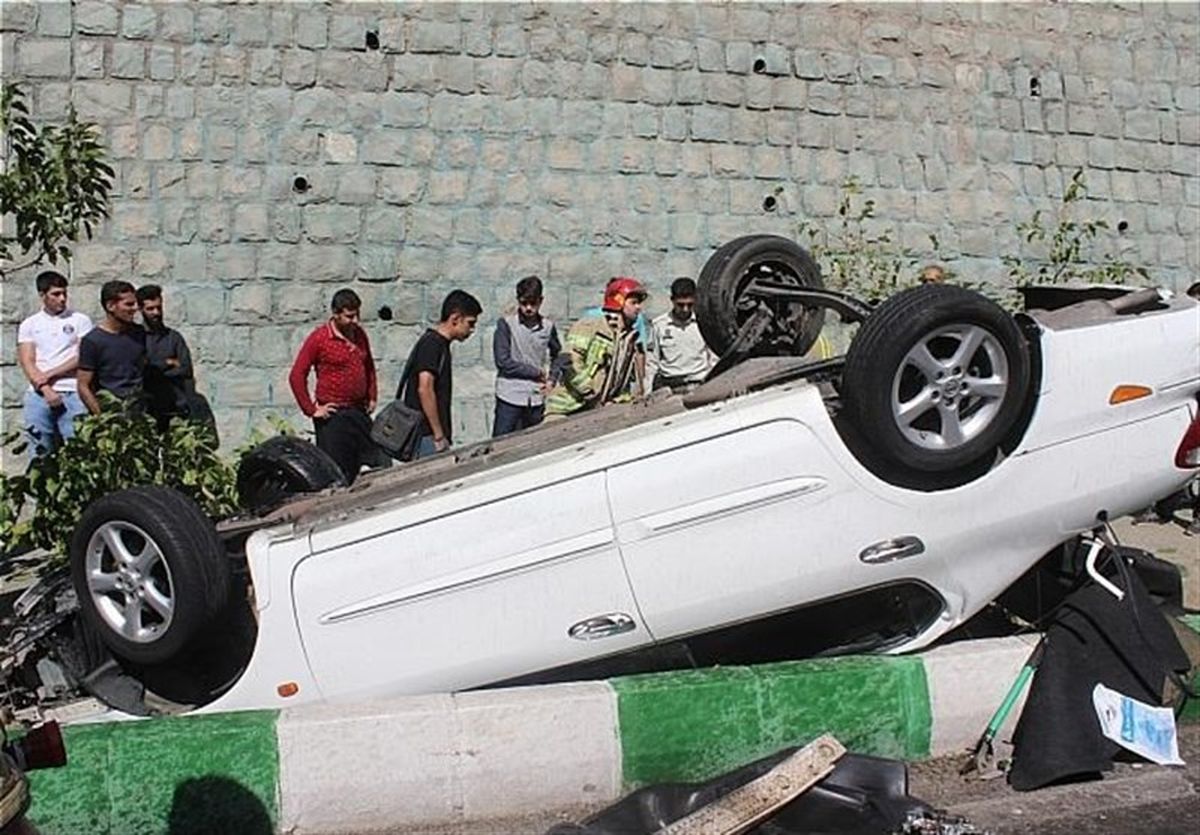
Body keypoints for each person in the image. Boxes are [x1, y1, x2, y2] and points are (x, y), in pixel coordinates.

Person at [288, 288, 381, 483]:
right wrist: (312, 409)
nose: (355, 321)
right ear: (336, 314)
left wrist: (372, 395)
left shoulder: (359, 335)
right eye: (349, 316)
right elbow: (297, 375)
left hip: (358, 411)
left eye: (357, 315)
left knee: (372, 464)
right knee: (339, 473)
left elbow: (369, 365)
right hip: (334, 417)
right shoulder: (320, 339)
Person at [545, 277, 647, 417]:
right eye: (634, 303)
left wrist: (621, 401)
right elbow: (569, 361)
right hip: (567, 409)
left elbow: (623, 381)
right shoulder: (591, 327)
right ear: (619, 302)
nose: (638, 307)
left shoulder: (628, 340)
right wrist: (590, 394)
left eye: (640, 303)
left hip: (598, 412)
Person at [398, 290, 482, 458]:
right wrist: (438, 435)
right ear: (455, 319)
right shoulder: (432, 344)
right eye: (470, 323)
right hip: (426, 436)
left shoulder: (441, 345)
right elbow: (425, 388)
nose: (472, 330)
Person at [17, 271, 93, 455]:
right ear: (42, 295)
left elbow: (82, 356)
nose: (62, 298)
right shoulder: (30, 324)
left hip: (73, 392)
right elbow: (27, 361)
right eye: (56, 294)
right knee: (40, 450)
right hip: (39, 395)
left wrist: (50, 374)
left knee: (79, 448)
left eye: (64, 293)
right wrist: (45, 388)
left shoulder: (80, 320)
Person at [492, 276, 561, 437]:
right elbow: (503, 361)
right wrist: (535, 372)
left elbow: (557, 354)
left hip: (535, 397)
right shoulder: (506, 324)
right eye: (524, 303)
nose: (528, 308)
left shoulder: (548, 327)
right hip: (510, 395)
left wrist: (552, 379)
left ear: (541, 301)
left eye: (533, 303)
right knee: (501, 445)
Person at [77, 280, 147, 415]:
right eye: (129, 304)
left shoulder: (139, 333)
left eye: (135, 303)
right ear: (110, 306)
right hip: (110, 412)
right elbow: (83, 385)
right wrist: (102, 417)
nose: (135, 308)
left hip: (138, 412)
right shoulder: (92, 341)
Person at [136, 284, 199, 429]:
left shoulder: (173, 338)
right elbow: (140, 371)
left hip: (174, 409)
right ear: (140, 309)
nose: (156, 312)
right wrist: (168, 362)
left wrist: (154, 368)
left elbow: (186, 370)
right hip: (146, 409)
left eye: (159, 307)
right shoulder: (136, 338)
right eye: (150, 309)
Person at [646, 277, 715, 392]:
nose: (685, 309)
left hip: (699, 384)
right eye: (680, 305)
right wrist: (647, 393)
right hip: (670, 386)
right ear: (672, 300)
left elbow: (713, 358)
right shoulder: (659, 326)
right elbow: (651, 363)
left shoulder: (703, 323)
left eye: (690, 304)